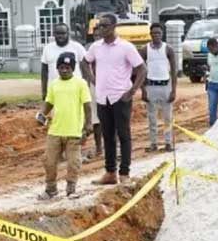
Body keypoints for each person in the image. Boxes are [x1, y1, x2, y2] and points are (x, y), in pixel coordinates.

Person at [84, 13, 146, 186]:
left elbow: (142, 69)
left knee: (124, 135)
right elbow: (84, 61)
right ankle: (110, 172)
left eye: (104, 26)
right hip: (103, 98)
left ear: (113, 27)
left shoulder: (126, 47)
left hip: (120, 97)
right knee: (107, 136)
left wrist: (133, 90)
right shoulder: (96, 47)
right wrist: (92, 78)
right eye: (99, 26)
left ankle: (124, 173)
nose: (100, 29)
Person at [40, 23, 100, 159]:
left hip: (76, 91)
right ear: (53, 34)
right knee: (58, 122)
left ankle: (87, 149)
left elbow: (85, 67)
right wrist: (44, 91)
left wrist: (87, 85)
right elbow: (44, 71)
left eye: (63, 33)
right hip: (56, 92)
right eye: (57, 33)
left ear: (68, 34)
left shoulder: (77, 47)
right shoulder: (48, 49)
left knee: (83, 120)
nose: (60, 36)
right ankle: (60, 152)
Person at [37, 52, 92, 200]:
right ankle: (50, 189)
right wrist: (42, 114)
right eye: (61, 67)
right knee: (49, 161)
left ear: (72, 68)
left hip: (74, 131)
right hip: (55, 131)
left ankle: (71, 189)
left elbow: (87, 105)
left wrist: (88, 125)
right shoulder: (54, 84)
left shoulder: (81, 83)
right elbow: (49, 103)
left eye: (67, 67)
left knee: (74, 162)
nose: (64, 70)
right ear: (57, 68)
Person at [140, 23, 176, 152]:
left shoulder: (168, 49)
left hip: (165, 86)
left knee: (168, 117)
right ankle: (153, 143)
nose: (156, 35)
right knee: (152, 118)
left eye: (158, 33)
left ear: (162, 34)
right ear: (150, 34)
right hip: (151, 86)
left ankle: (168, 143)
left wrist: (174, 90)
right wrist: (143, 89)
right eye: (154, 33)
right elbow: (140, 71)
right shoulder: (145, 50)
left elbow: (173, 71)